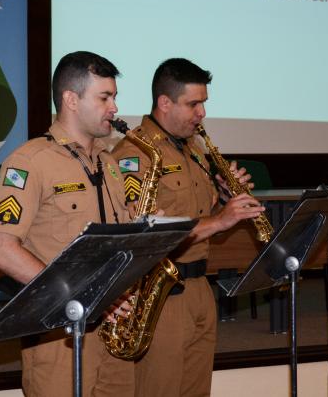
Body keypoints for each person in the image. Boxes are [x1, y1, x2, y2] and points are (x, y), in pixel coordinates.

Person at [111, 58, 264, 397]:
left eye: (204, 103)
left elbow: (202, 215)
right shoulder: (134, 154)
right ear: (165, 103)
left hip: (199, 286)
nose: (202, 114)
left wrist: (226, 200)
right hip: (162, 294)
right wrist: (221, 219)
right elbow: (147, 234)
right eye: (194, 104)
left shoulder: (194, 149)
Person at [0, 51, 134, 397]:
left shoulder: (110, 165)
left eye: (114, 97)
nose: (114, 108)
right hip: (59, 336)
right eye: (104, 97)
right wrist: (81, 294)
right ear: (70, 99)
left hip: (114, 332)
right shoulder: (29, 162)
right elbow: (2, 252)